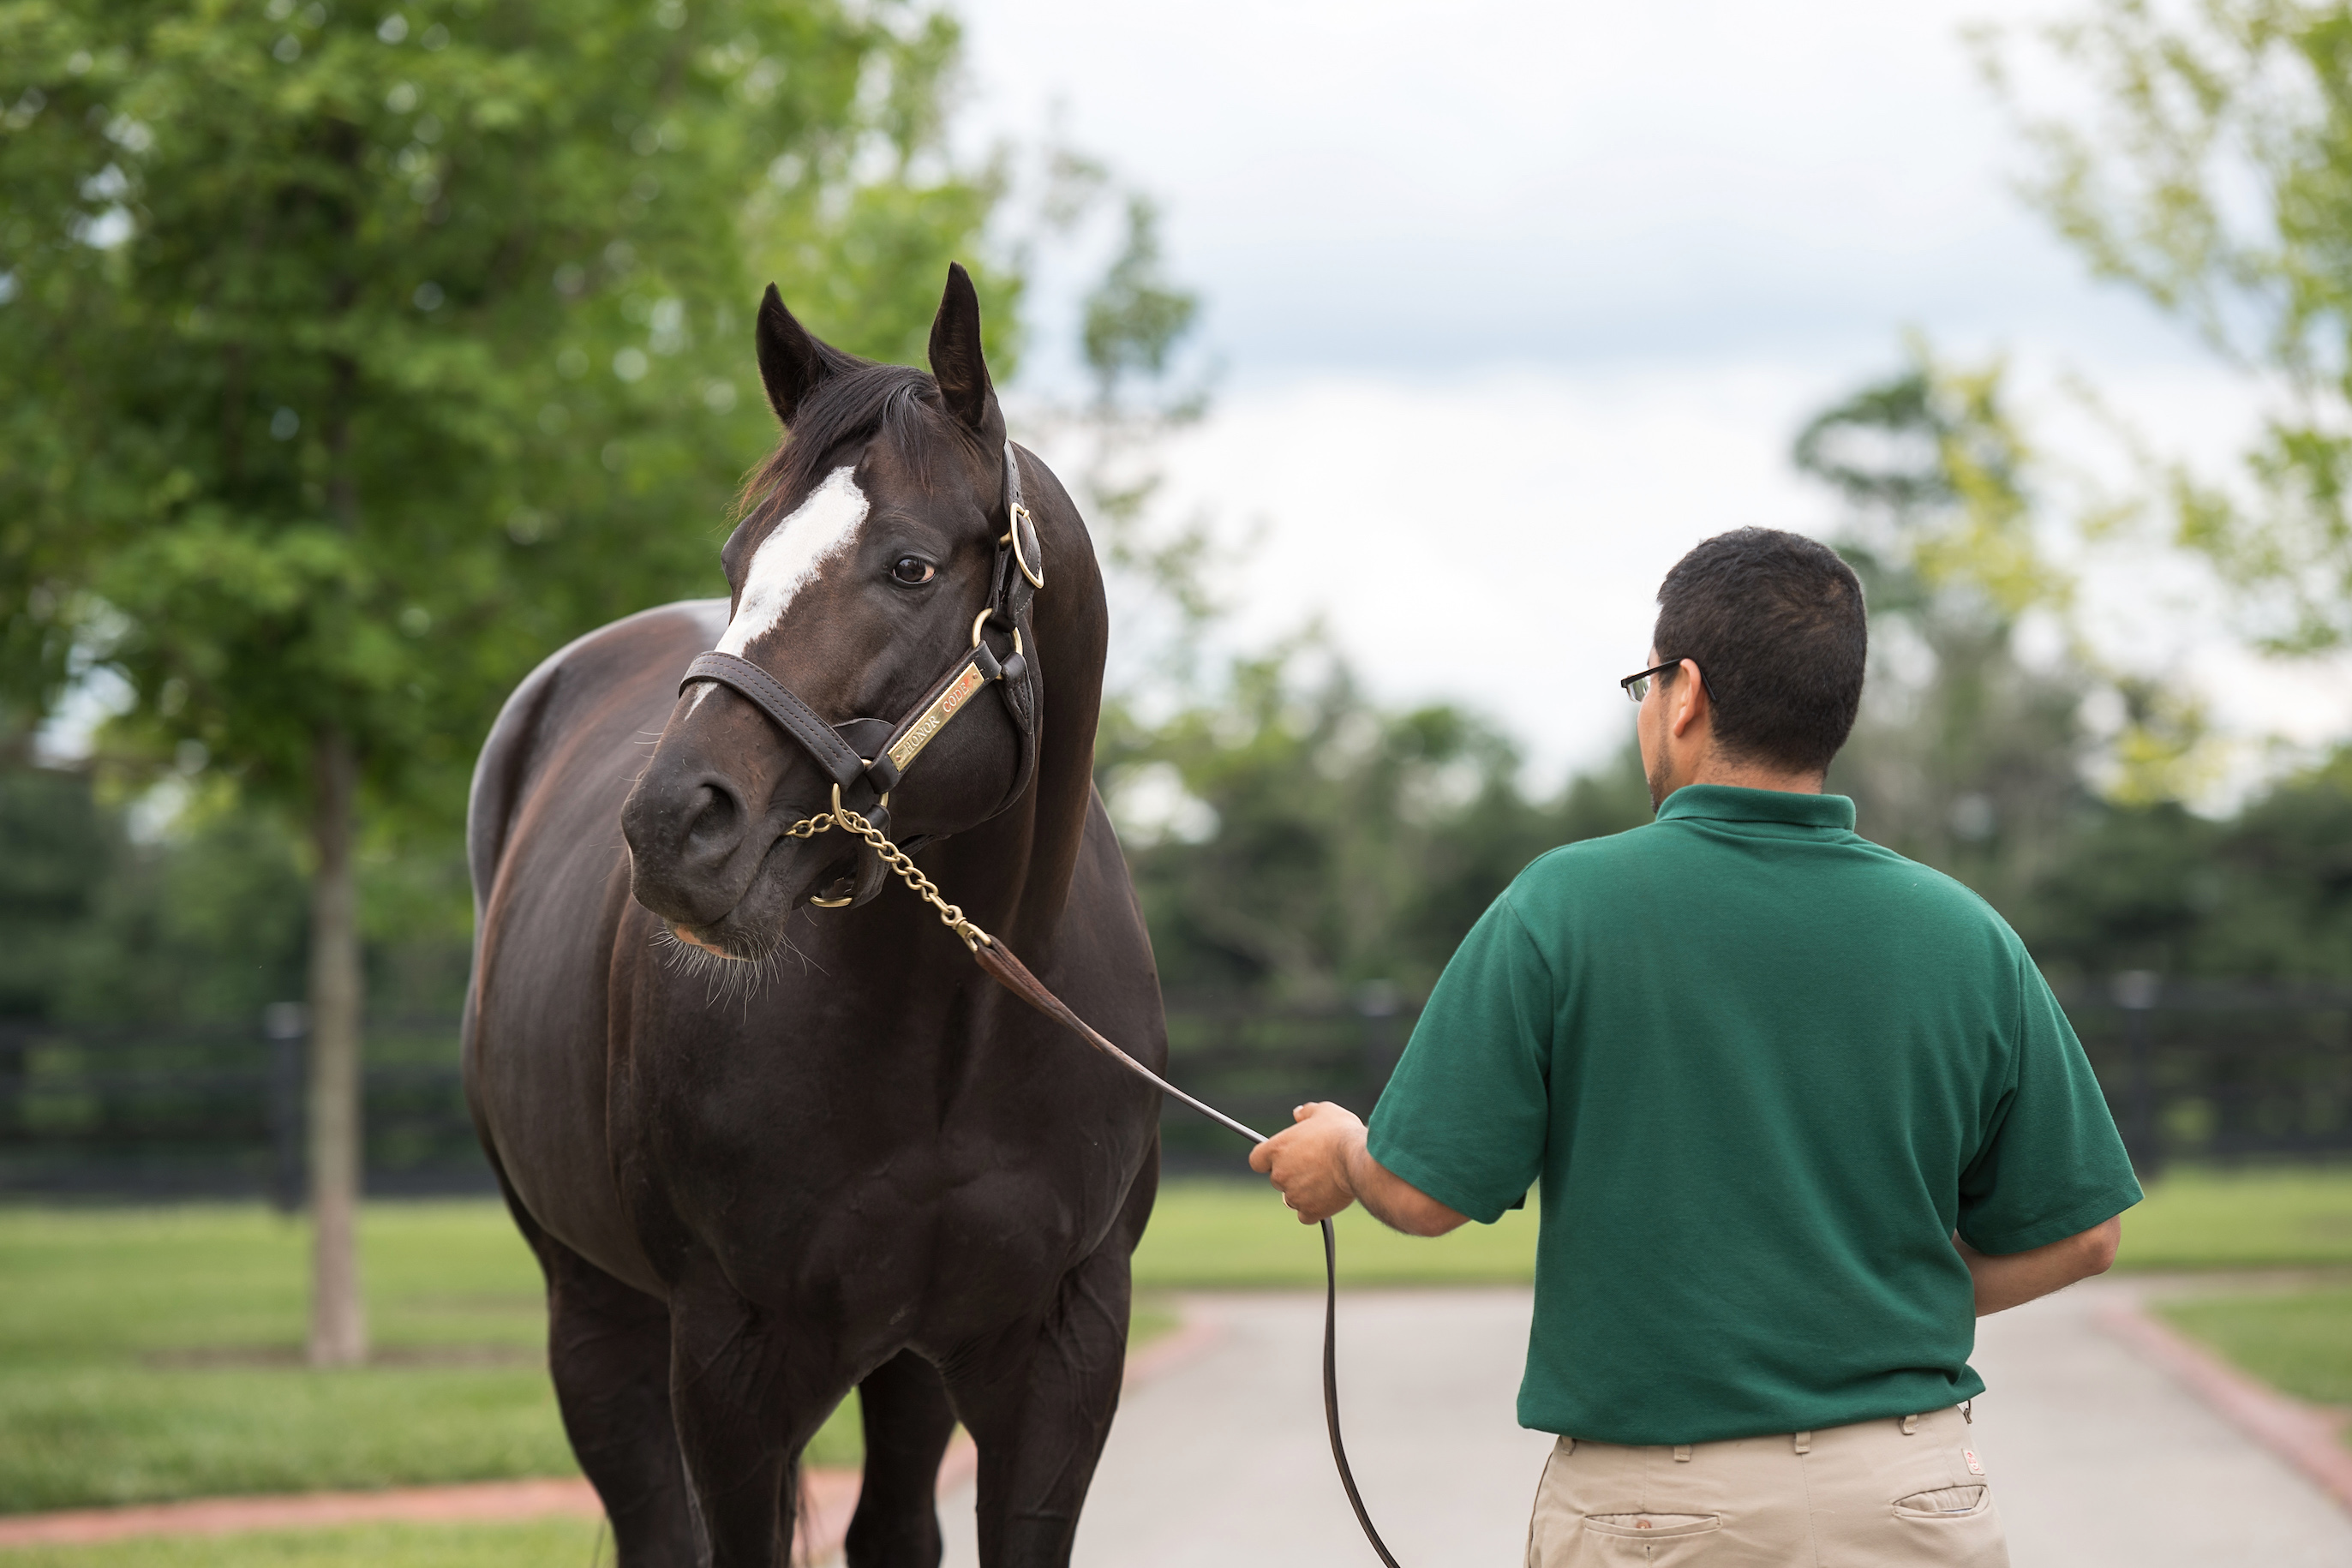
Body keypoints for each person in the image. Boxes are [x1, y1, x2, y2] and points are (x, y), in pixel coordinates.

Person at [1249, 527, 2140, 1567]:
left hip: (1659, 1511)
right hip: (1914, 1498)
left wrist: (1346, 1151)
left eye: (1644, 685)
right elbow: (2084, 1235)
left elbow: (1421, 1194)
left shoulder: (1562, 905)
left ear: (1686, 693)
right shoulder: (1967, 933)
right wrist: (1888, 1291)